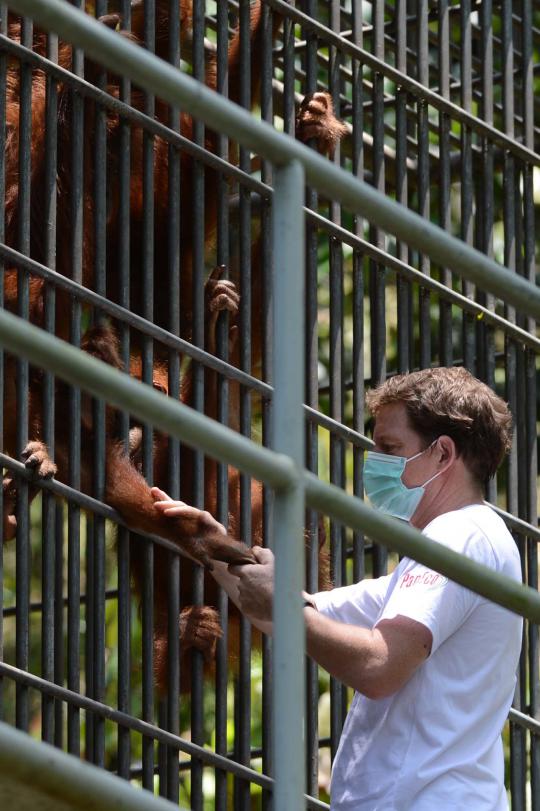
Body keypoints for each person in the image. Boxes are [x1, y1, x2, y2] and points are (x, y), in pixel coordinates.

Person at [152, 366, 523, 810]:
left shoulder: (461, 535)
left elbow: (378, 664)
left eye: (389, 448)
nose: (375, 463)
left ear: (443, 454)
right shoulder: (450, 551)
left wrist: (287, 610)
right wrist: (213, 546)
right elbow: (292, 612)